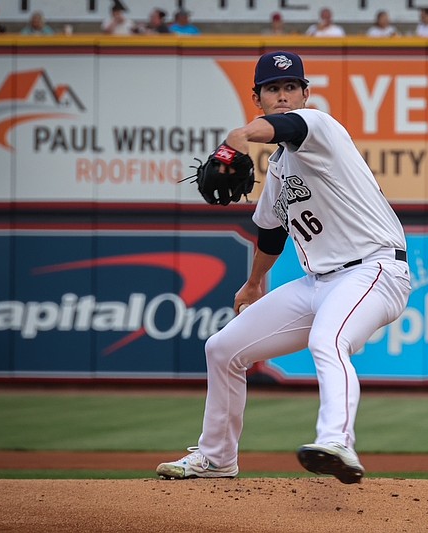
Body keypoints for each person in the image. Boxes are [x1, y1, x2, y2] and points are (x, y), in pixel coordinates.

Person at [155, 50, 411, 484]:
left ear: (305, 94)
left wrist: (238, 136)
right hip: (318, 282)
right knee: (222, 349)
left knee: (328, 339)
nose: (283, 95)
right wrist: (254, 282)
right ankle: (217, 458)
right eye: (273, 89)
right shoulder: (278, 168)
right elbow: (272, 232)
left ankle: (337, 442)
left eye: (291, 87)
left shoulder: (319, 127)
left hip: (375, 270)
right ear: (258, 97)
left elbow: (285, 127)